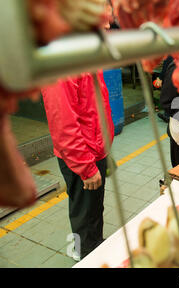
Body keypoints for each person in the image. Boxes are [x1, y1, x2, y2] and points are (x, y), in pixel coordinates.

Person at [41, 70, 114, 260]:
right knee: (84, 213)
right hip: (82, 155)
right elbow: (62, 125)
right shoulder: (61, 65)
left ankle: (93, 245)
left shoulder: (83, 56)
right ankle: (86, 254)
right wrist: (86, 167)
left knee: (93, 209)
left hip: (94, 148)